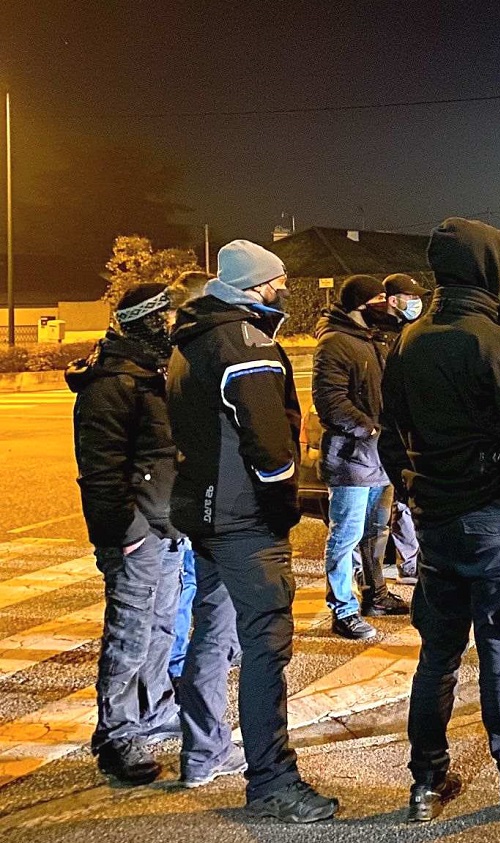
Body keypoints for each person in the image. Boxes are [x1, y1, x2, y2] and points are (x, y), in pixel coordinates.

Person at [379, 218, 500, 822]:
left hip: (436, 520)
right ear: (487, 266)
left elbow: (390, 435)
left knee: (437, 656)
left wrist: (414, 491)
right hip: (497, 519)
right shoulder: (498, 341)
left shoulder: (409, 340)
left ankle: (426, 784)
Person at [169, 240, 339, 822]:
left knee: (211, 634)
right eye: (281, 280)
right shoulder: (248, 347)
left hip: (202, 512)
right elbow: (271, 453)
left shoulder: (189, 339)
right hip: (243, 522)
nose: (285, 289)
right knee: (267, 646)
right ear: (259, 287)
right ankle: (271, 781)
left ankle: (201, 750)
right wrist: (282, 508)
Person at [68, 283, 186, 786]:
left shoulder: (155, 374)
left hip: (165, 524)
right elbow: (100, 473)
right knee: (130, 633)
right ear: (150, 320)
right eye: (170, 316)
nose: (177, 324)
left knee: (161, 624)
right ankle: (117, 734)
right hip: (135, 532)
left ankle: (155, 707)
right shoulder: (111, 383)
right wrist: (125, 534)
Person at [313, 275, 409, 641]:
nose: (387, 304)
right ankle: (342, 609)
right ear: (359, 304)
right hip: (352, 459)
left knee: (375, 533)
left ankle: (377, 595)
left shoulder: (371, 340)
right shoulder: (336, 343)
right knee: (345, 537)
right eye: (381, 298)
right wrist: (369, 430)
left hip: (378, 458)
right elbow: (330, 401)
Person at [164, 272, 214, 683]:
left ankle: (191, 659)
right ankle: (177, 667)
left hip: (193, 487)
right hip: (175, 493)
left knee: (195, 579)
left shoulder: (186, 349)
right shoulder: (178, 353)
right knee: (183, 585)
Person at [378, 273, 429, 585]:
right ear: (393, 300)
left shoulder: (405, 332)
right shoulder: (381, 336)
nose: (416, 302)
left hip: (401, 424)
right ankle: (406, 563)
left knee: (402, 500)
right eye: (411, 297)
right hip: (383, 428)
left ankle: (410, 561)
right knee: (388, 507)